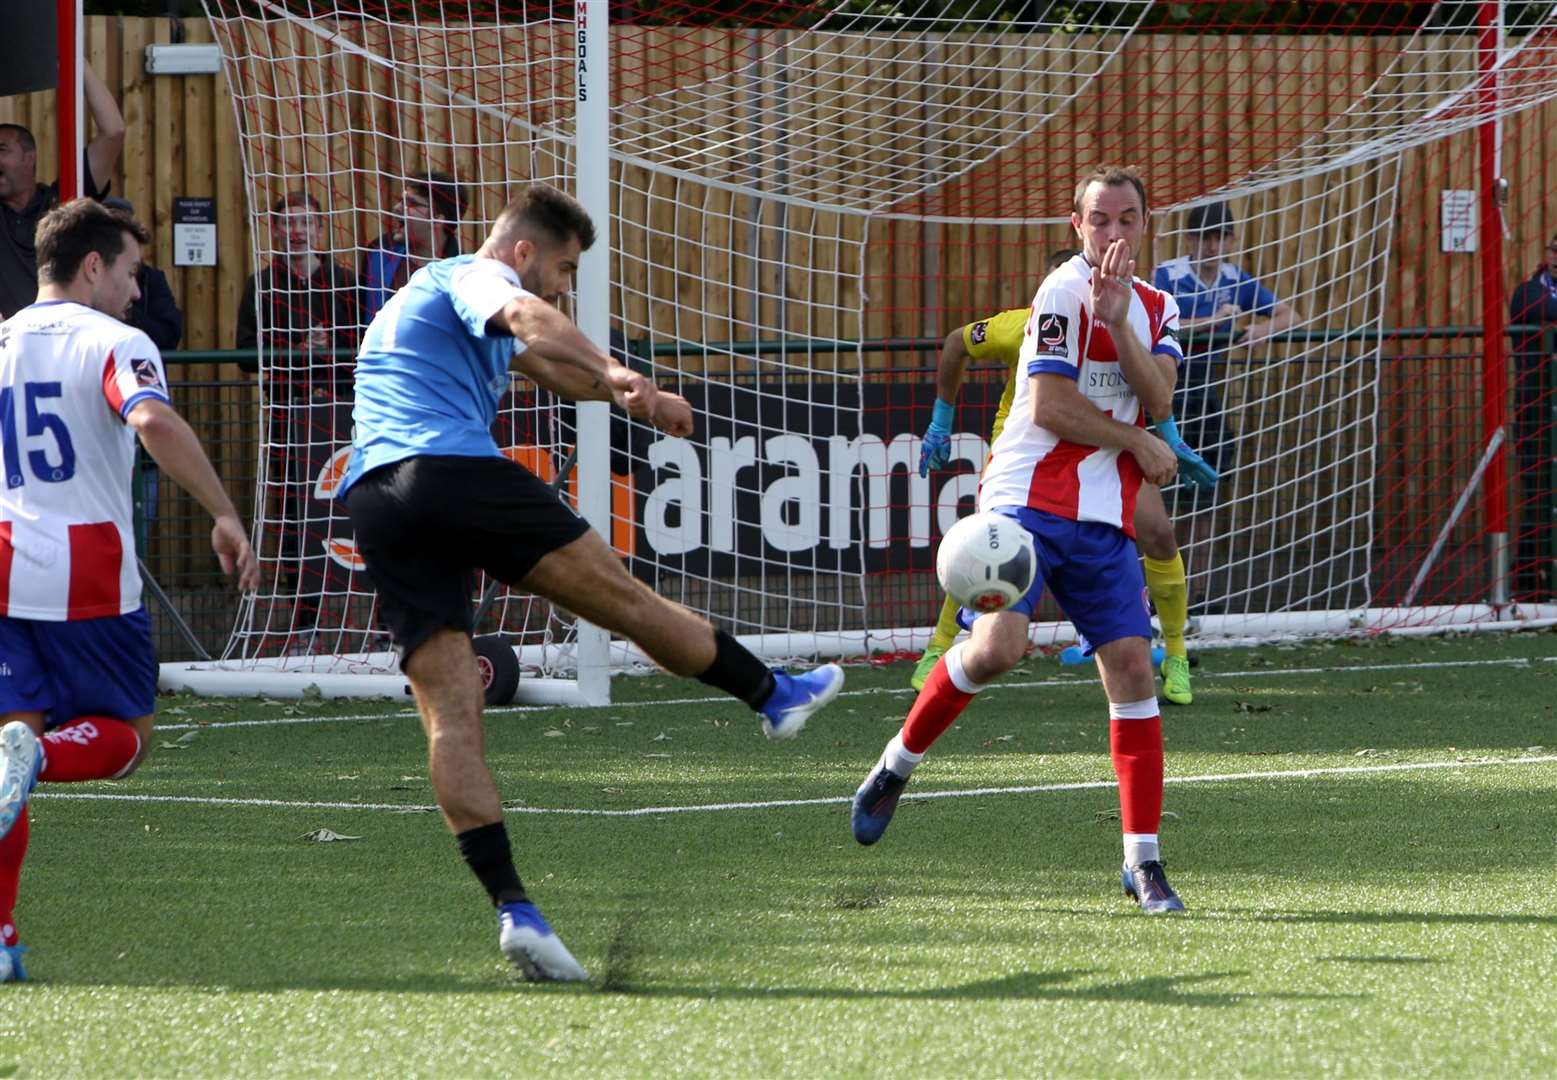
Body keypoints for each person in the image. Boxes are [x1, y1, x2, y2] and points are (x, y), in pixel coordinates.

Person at [337, 182, 845, 981]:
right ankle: (770, 695)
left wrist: (633, 395)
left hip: (375, 499)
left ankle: (515, 910)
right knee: (626, 602)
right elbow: (531, 322)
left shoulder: (422, 305)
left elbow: (547, 366)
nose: (564, 286)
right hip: (450, 471)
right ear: (523, 252)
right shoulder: (469, 278)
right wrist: (616, 365)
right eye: (564, 268)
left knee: (449, 719)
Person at [852, 165, 1189, 915]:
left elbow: (1159, 395)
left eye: (1125, 219)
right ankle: (894, 766)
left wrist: (1117, 323)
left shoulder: (1160, 307)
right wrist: (1134, 441)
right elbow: (1052, 406)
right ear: (1077, 227)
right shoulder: (1058, 292)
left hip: (1100, 514)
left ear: (1145, 225)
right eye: (1098, 220)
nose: (1112, 234)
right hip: (1025, 499)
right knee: (999, 648)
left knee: (1134, 672)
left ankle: (1142, 863)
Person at [0, 199, 259, 982]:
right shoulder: (117, 341)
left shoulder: (2, 339)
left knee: (2, 762)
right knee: (130, 738)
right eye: (131, 272)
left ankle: (1, 935)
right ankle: (39, 755)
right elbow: (151, 418)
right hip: (86, 570)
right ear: (91, 267)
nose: (136, 290)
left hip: (4, 563)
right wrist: (222, 511)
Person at [913, 247, 1216, 704]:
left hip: (1108, 454)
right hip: (1031, 466)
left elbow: (1153, 391)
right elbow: (957, 343)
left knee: (1159, 536)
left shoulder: (1122, 321)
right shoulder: (1023, 323)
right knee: (992, 550)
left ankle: (1175, 652)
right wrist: (941, 419)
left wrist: (1170, 440)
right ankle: (938, 649)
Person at [1151, 202, 1297, 610]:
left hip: (1206, 396)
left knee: (1204, 494)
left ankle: (1195, 592)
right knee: (1156, 498)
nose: (1212, 246)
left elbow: (1290, 313)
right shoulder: (1169, 276)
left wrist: (1260, 328)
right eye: (1203, 237)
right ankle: (1154, 589)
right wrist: (1217, 320)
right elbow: (1159, 325)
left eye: (1220, 237)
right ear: (1190, 240)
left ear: (1231, 240)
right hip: (1162, 393)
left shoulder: (1235, 279)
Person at [235, 190, 360, 652]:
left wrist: (332, 351)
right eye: (288, 223)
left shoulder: (345, 281)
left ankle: (375, 621)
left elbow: (367, 344)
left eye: (306, 222)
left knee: (356, 511)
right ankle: (305, 624)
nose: (297, 231)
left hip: (344, 419)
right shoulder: (261, 285)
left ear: (320, 230)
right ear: (275, 231)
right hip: (291, 421)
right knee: (294, 519)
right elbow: (245, 354)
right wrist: (292, 351)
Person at [0, 64, 127, 319]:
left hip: (60, 343)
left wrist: (75, 58)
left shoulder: (63, 203)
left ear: (30, 158)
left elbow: (113, 132)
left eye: (1, 150)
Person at [1509, 232, 1557, 598]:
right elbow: (1540, 311)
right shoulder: (1529, 291)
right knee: (1539, 497)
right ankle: (1526, 584)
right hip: (1536, 410)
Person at [359, 170, 465, 321]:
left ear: (438, 219)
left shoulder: (460, 275)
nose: (397, 207)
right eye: (401, 201)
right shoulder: (378, 251)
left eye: (411, 203)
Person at [101, 196, 183, 351]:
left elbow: (169, 338)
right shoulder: (89, 282)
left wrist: (130, 312)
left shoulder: (151, 280)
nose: (136, 293)